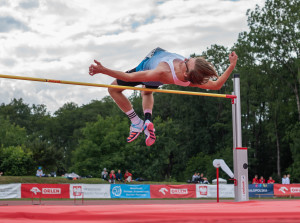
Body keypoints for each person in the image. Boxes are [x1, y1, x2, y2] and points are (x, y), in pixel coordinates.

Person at [89, 47, 238, 146]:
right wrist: (231, 65)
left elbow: (129, 77)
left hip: (148, 68)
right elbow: (217, 85)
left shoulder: (163, 71)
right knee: (146, 92)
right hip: (158, 73)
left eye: (186, 63)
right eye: (188, 58)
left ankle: (136, 122)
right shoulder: (193, 78)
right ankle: (147, 120)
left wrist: (103, 70)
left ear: (186, 73)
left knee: (113, 89)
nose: (185, 60)